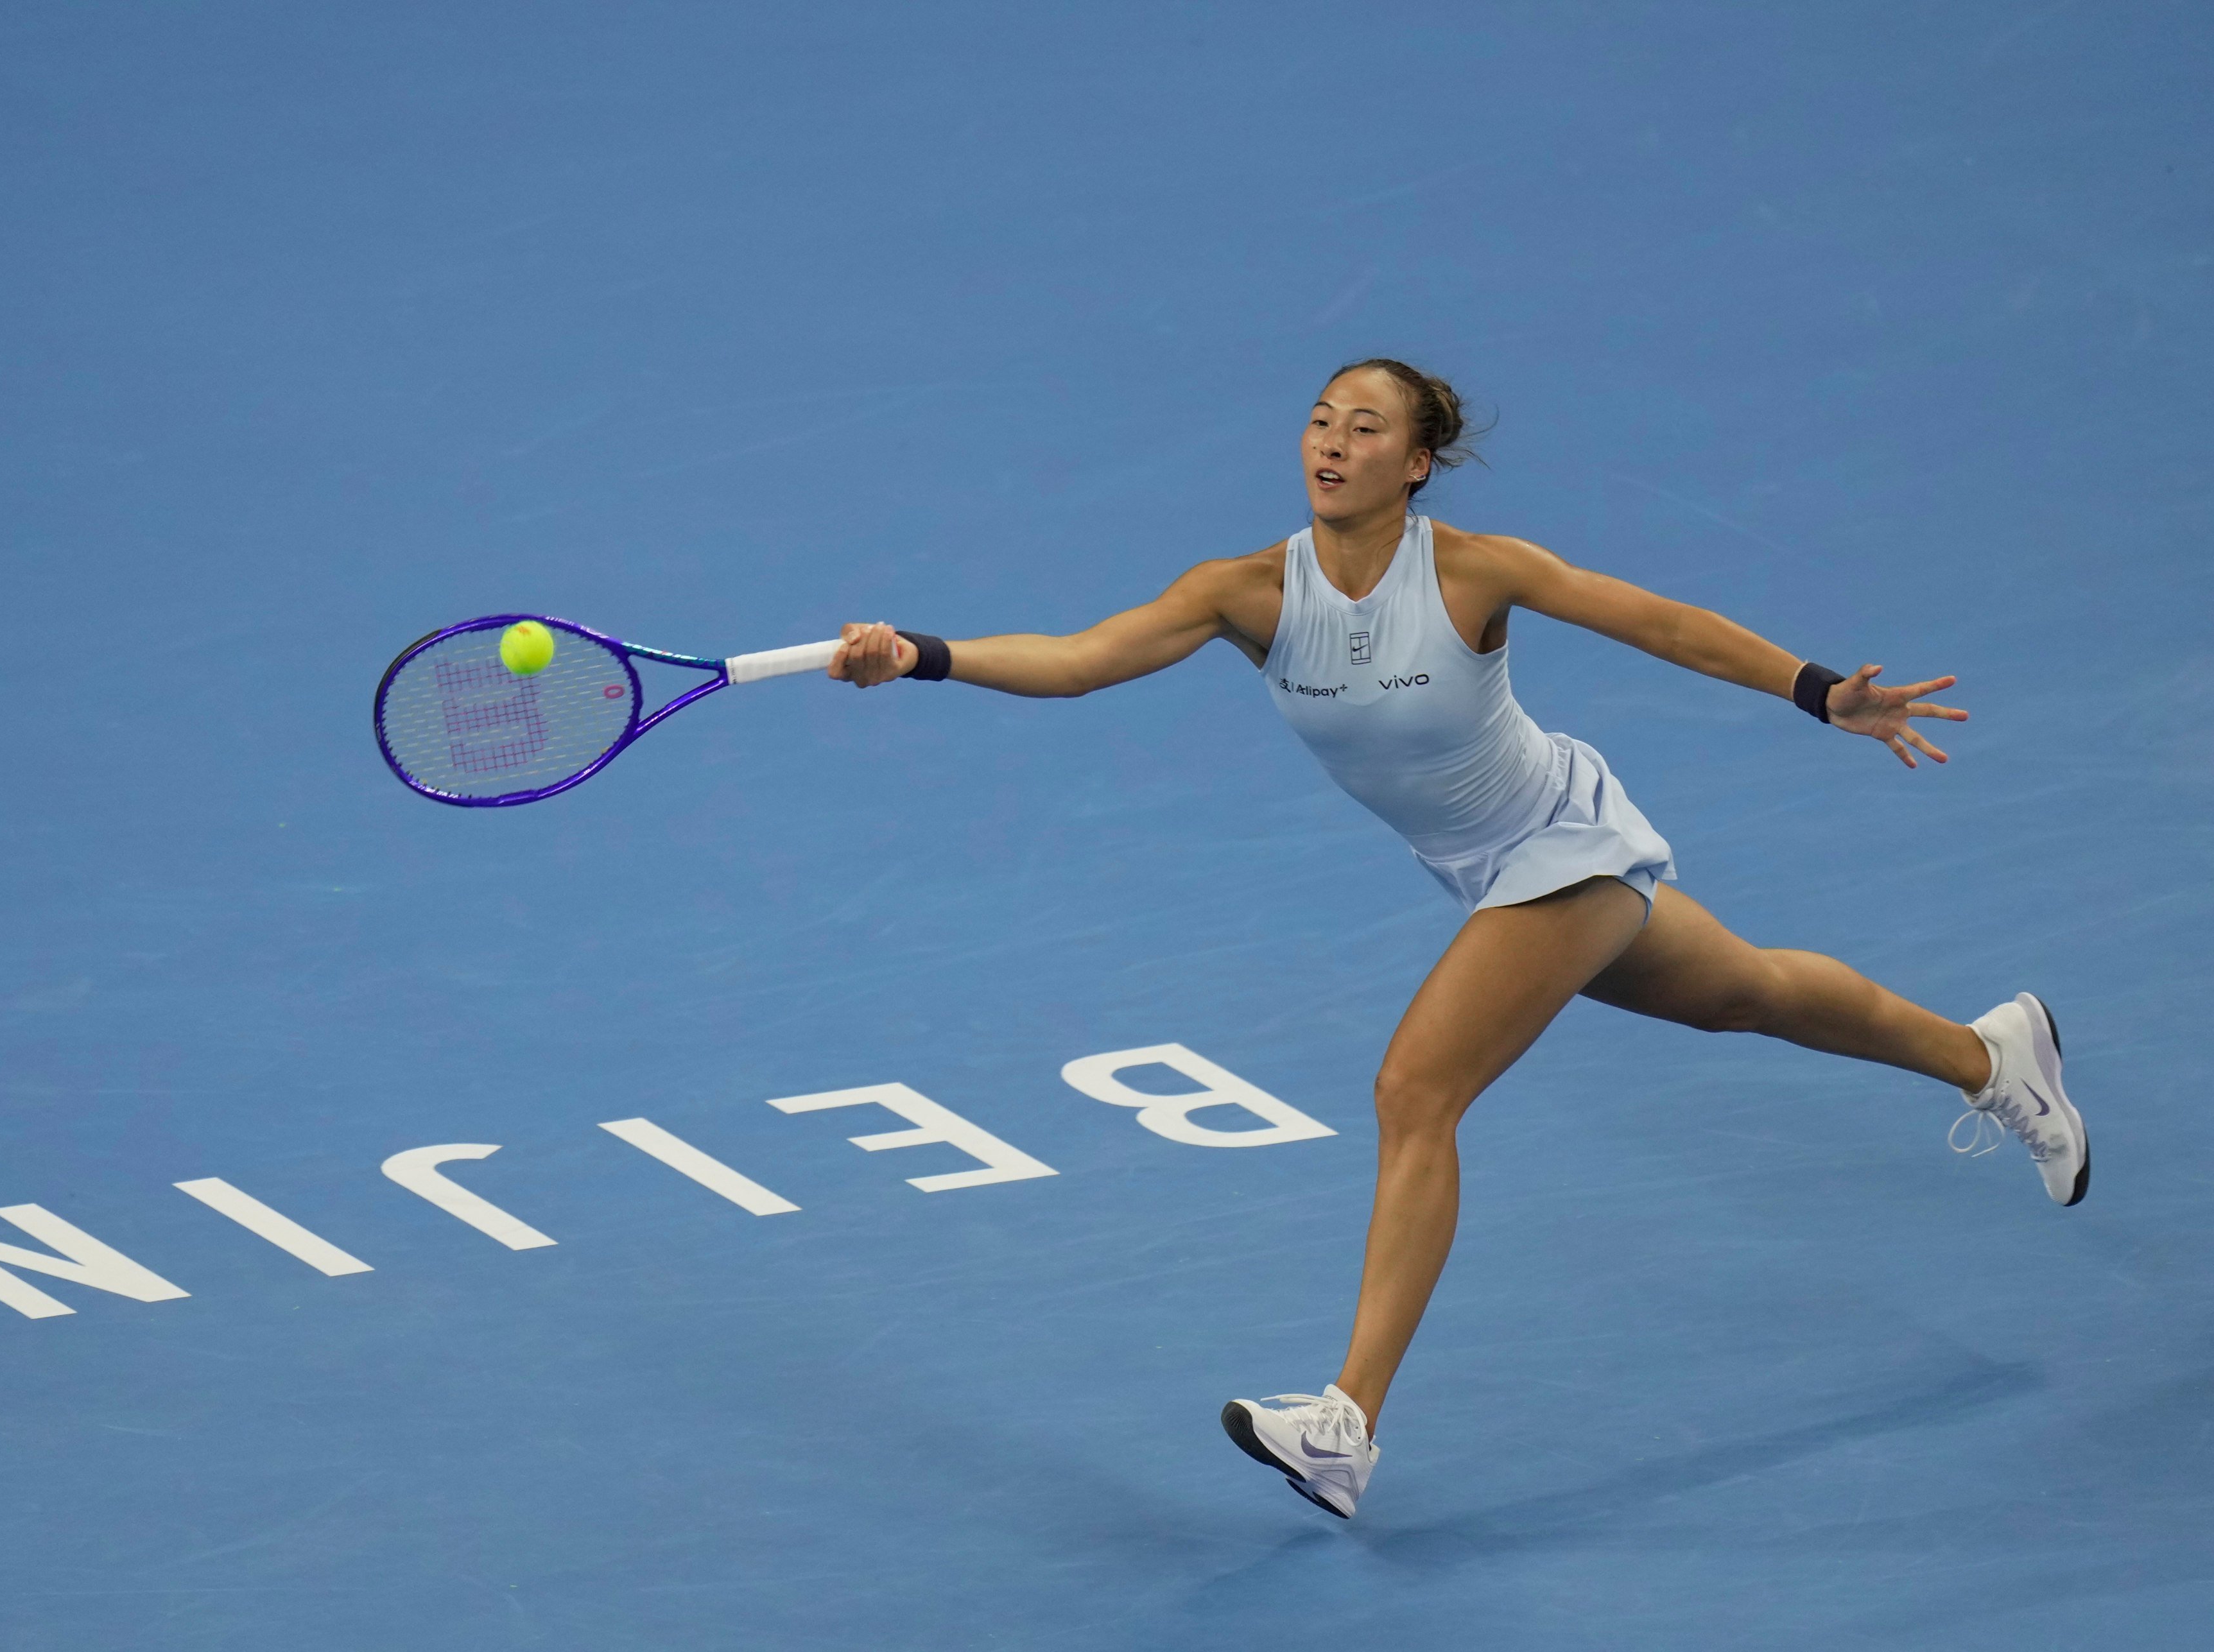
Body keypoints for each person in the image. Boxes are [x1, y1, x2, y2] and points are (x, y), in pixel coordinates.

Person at [824, 358, 2088, 1521]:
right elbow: (1077, 661)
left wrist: (1818, 692)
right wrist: (921, 656)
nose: (1329, 442)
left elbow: (1655, 620)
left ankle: (1344, 1425)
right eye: (1320, 420)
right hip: (1480, 867)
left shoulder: (1473, 570)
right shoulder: (1245, 593)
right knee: (1743, 994)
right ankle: (1989, 1059)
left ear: (1414, 462)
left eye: (1362, 428)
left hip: (1558, 849)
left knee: (1413, 1091)